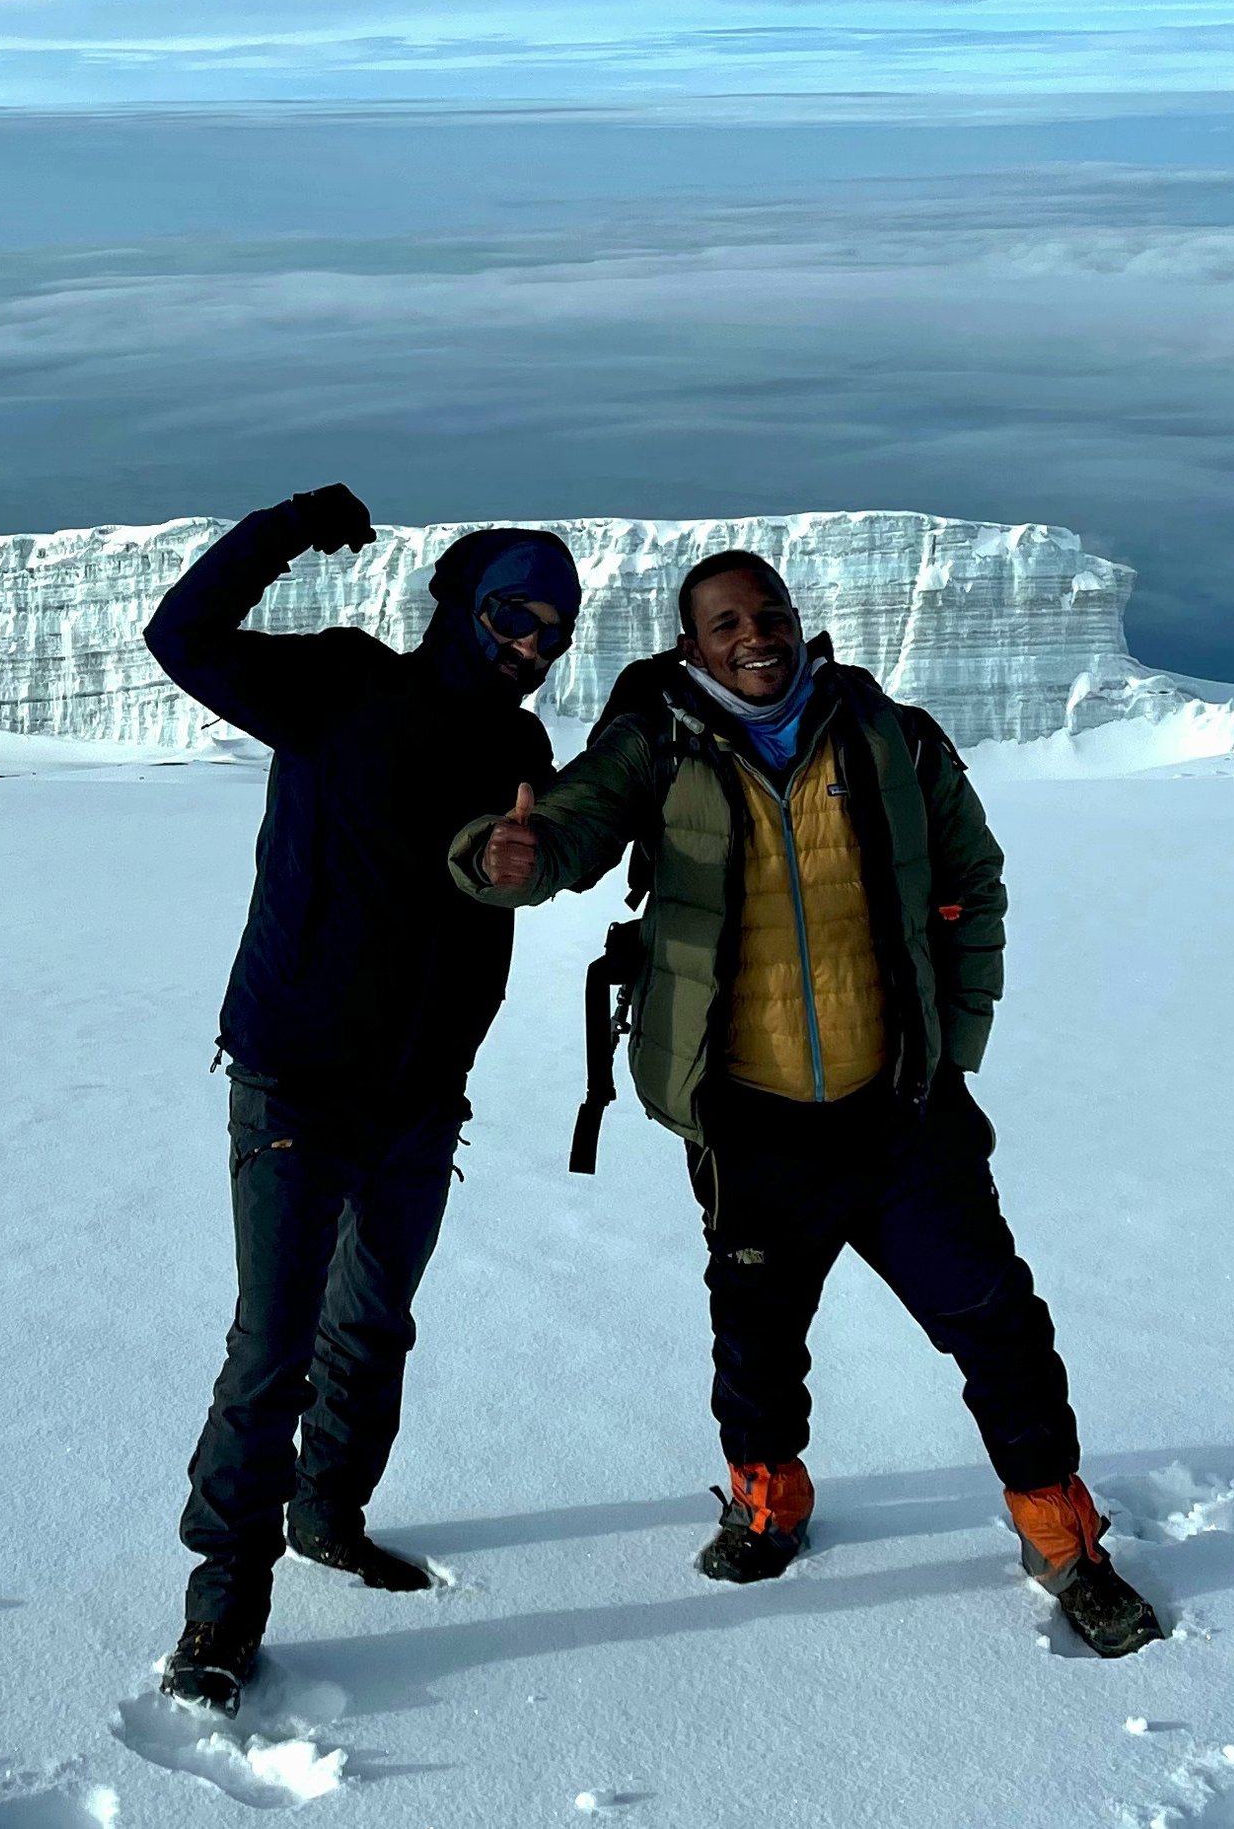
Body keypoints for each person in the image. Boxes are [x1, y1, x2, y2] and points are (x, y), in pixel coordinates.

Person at [452, 549, 1166, 1657]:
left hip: (901, 1115)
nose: (754, 633)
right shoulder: (657, 744)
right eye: (725, 620)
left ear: (797, 620)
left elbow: (973, 881)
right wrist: (508, 855)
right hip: (750, 1118)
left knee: (998, 1326)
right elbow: (566, 832)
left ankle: (1061, 1535)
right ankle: (765, 1498)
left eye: (768, 610)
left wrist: (952, 1045)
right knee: (756, 1339)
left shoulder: (889, 736)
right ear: (690, 646)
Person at [141, 483, 575, 1711]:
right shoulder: (338, 683)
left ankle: (328, 1511)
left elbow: (508, 882)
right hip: (297, 1076)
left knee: (371, 1324)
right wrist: (282, 526)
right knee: (270, 1344)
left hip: (422, 1093)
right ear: (460, 605)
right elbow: (180, 637)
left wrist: (523, 867)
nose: (531, 645)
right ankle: (223, 1599)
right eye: (513, 615)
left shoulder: (521, 750)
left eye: (554, 629)